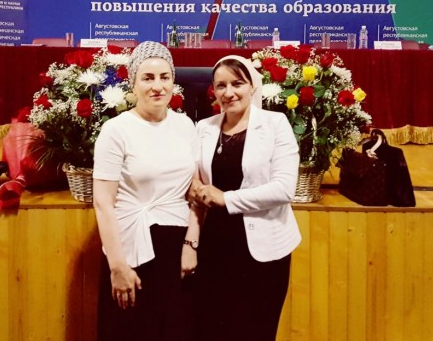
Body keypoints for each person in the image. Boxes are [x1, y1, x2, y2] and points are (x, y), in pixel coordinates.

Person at [189, 55, 301, 341]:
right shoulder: (203, 128)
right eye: (221, 85)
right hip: (213, 246)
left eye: (237, 83)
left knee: (254, 331)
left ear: (252, 86)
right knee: (210, 330)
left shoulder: (276, 124)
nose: (229, 92)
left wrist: (226, 199)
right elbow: (195, 182)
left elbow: (284, 188)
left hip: (263, 251)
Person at [93, 41, 198, 341]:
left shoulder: (186, 126)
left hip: (176, 250)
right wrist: (117, 266)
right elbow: (103, 202)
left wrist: (190, 245)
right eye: (147, 78)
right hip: (130, 250)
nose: (157, 86)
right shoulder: (116, 130)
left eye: (165, 77)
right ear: (133, 83)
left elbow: (195, 193)